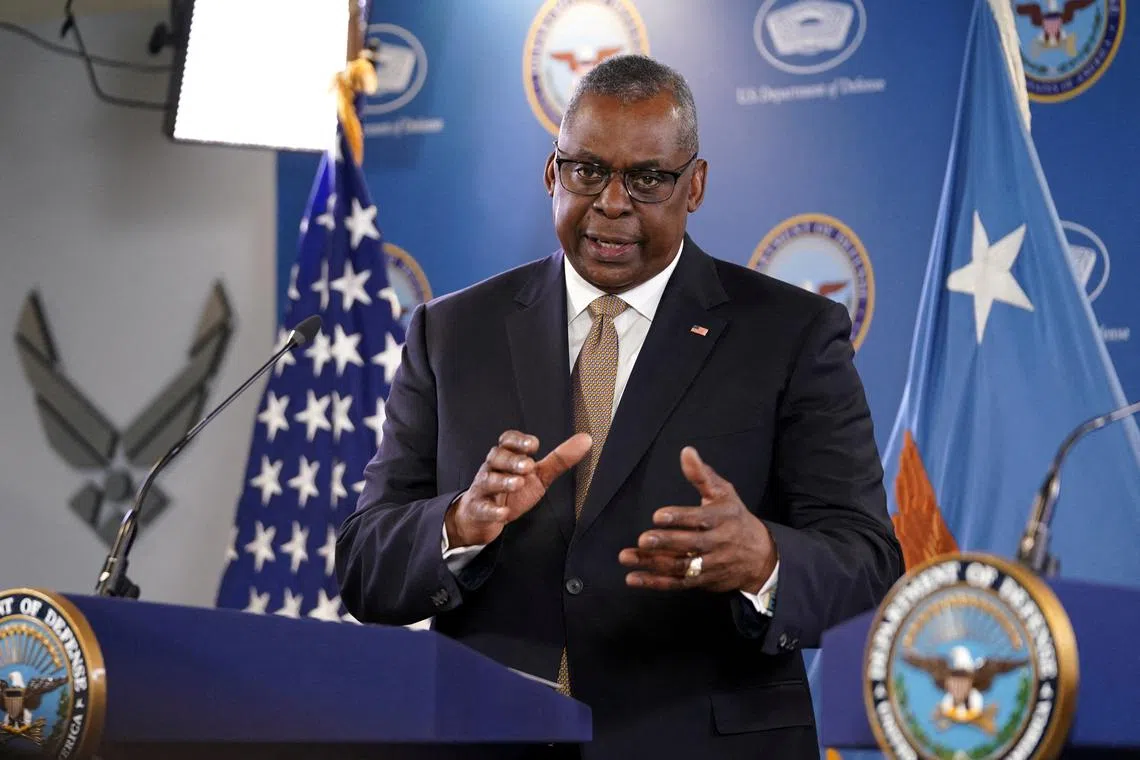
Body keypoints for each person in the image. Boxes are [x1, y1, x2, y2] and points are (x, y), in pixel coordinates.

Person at [336, 54, 903, 759]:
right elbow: (363, 565)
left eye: (647, 179)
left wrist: (763, 559)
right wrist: (459, 523)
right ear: (552, 173)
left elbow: (870, 566)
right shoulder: (451, 332)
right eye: (587, 171)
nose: (611, 202)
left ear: (693, 186)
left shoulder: (790, 335)